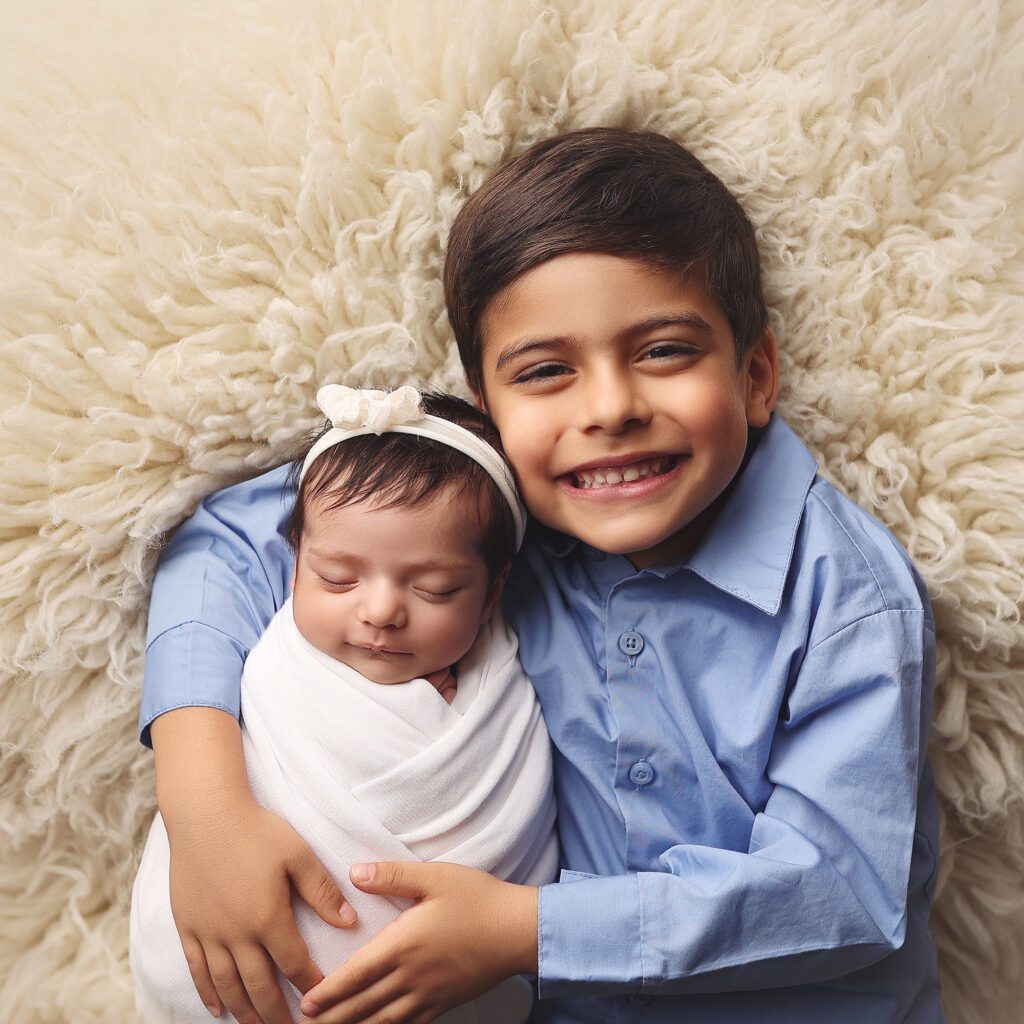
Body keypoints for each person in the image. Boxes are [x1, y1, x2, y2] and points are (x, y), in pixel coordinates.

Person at [139, 128, 944, 1024]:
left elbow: (839, 892)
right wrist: (203, 803)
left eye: (665, 351)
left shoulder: (846, 595)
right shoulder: (488, 518)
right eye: (548, 372)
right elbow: (227, 543)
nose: (610, 409)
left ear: (756, 376)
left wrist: (526, 930)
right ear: (487, 418)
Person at [130, 386, 557, 1024]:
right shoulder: (276, 666)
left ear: (492, 594)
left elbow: (516, 841)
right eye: (337, 578)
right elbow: (212, 558)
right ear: (294, 567)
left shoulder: (506, 694)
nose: (381, 610)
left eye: (436, 588)